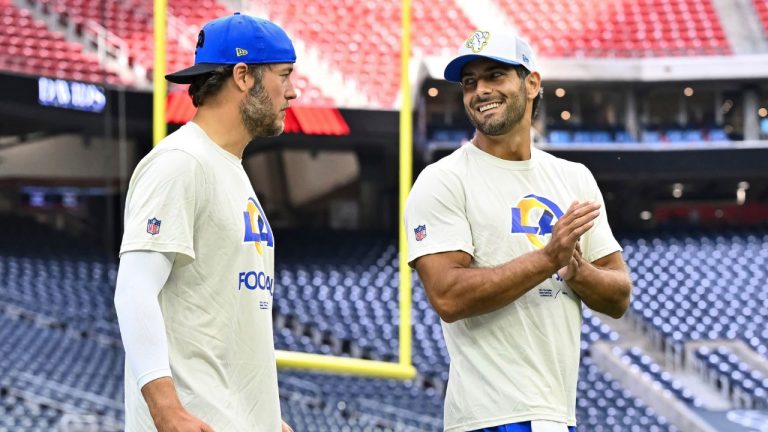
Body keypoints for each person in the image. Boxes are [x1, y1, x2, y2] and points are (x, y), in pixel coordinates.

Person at [405, 31, 632, 432]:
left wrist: (577, 271)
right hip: (489, 417)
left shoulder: (573, 178)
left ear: (531, 83)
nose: (480, 90)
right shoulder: (442, 180)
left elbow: (618, 296)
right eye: (470, 81)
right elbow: (447, 296)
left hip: (558, 414)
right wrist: (548, 259)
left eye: (495, 75)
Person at [114, 13, 296, 432]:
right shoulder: (180, 163)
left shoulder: (228, 166)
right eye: (284, 75)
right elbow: (134, 292)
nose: (293, 90)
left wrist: (264, 416)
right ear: (243, 76)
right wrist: (166, 410)